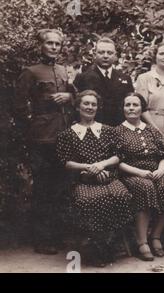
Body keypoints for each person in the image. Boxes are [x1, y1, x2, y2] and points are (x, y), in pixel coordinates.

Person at [14, 29, 74, 255]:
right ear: (41, 46)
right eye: (49, 43)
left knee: (60, 187)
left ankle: (57, 236)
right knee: (43, 188)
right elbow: (19, 107)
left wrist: (69, 97)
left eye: (57, 44)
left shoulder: (62, 70)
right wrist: (32, 128)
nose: (53, 47)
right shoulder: (30, 72)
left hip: (63, 134)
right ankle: (41, 239)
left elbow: (73, 96)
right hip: (41, 138)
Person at [56, 90, 133, 267]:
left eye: (93, 104)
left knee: (120, 195)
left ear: (98, 108)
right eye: (86, 103)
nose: (90, 107)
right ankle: (95, 250)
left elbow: (118, 156)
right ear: (78, 106)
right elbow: (66, 162)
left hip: (108, 177)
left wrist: (101, 165)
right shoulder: (67, 134)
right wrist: (89, 168)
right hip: (82, 180)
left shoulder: (107, 130)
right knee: (89, 201)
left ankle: (109, 244)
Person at [115, 93, 164, 260]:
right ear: (123, 108)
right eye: (128, 105)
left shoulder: (152, 130)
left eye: (135, 105)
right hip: (130, 175)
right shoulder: (116, 131)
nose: (131, 108)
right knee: (144, 187)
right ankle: (142, 241)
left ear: (142, 108)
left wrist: (161, 170)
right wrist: (139, 172)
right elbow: (117, 162)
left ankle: (155, 236)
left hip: (155, 173)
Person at [73, 37, 134, 126]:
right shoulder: (83, 77)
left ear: (115, 55)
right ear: (94, 54)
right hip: (92, 128)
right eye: (101, 52)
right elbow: (76, 106)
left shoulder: (125, 78)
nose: (105, 56)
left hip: (119, 128)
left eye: (109, 53)